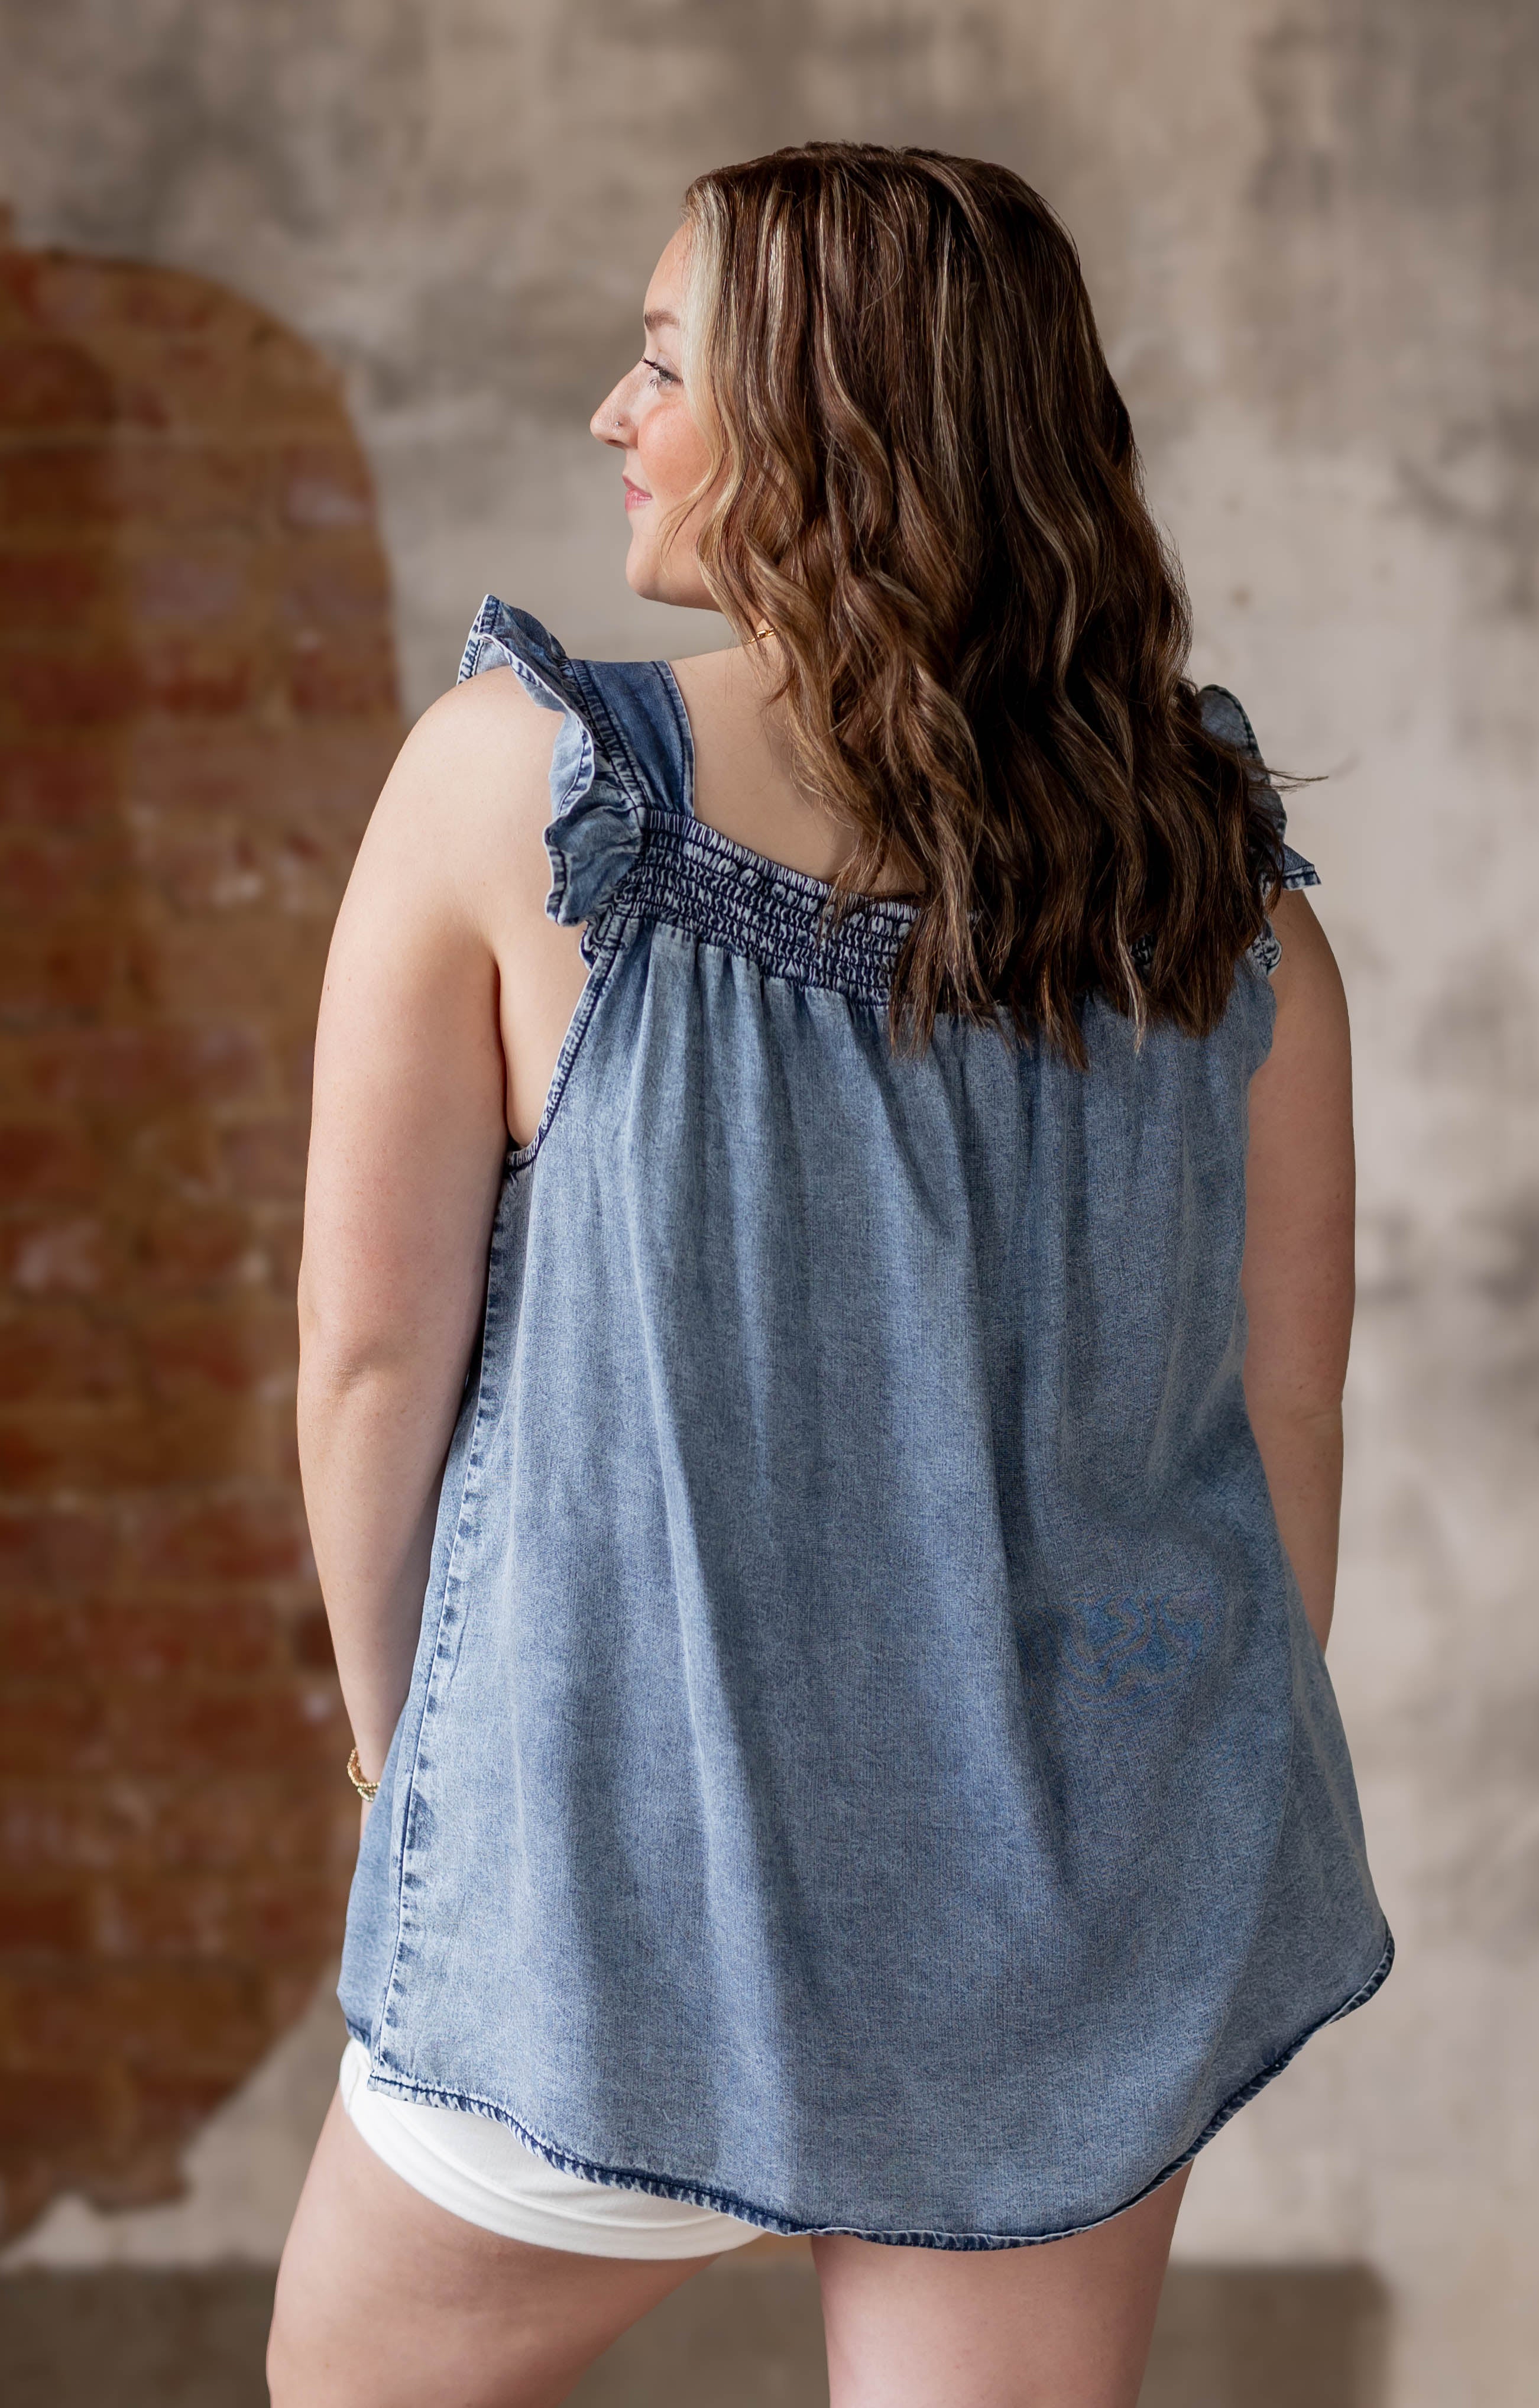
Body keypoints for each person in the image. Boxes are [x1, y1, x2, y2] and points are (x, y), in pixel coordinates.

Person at [267, 143, 1391, 2408]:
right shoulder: (1224, 906)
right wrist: (1118, 1828)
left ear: (831, 426)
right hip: (1062, 1921)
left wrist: (414, 1774)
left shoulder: (517, 799)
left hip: (611, 1890)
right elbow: (1278, 1412)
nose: (612, 410)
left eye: (665, 364)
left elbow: (374, 1361)